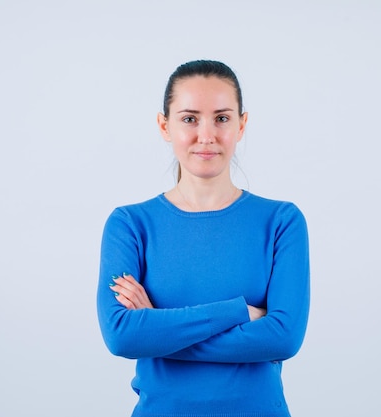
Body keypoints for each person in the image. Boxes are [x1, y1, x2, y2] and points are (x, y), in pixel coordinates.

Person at [97, 60, 310, 417]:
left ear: (241, 125)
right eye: (190, 118)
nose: (207, 135)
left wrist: (159, 329)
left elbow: (284, 337)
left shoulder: (281, 221)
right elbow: (122, 336)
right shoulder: (130, 224)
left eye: (222, 118)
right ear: (165, 125)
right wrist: (238, 312)